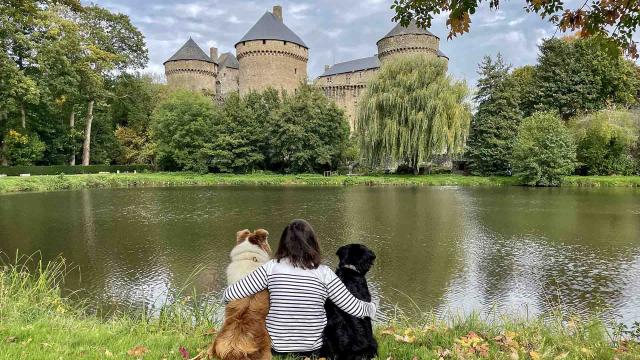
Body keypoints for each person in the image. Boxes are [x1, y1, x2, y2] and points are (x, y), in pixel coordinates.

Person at [223, 219, 377, 357]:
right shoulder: (324, 273)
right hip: (313, 349)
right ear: (313, 243)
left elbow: (231, 294)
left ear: (283, 243)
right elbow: (355, 308)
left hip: (277, 348)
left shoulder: (271, 268)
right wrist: (372, 307)